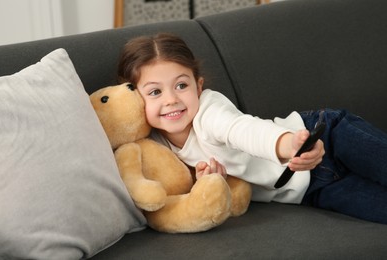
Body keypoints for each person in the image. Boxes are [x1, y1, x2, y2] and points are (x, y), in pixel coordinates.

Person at [118, 33, 387, 224]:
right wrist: (209, 183)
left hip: (326, 134)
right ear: (134, 99)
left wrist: (288, 144)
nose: (171, 100)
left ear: (198, 87)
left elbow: (244, 130)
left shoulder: (209, 111)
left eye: (181, 85)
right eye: (154, 92)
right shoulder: (153, 147)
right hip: (311, 190)